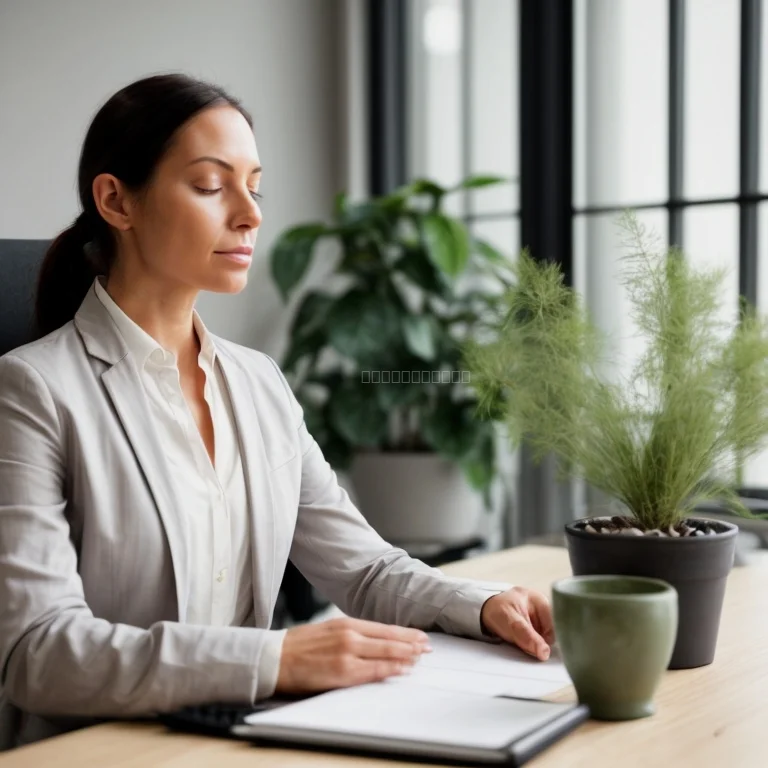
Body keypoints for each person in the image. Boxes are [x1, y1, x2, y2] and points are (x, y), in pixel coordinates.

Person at [0, 73, 554, 749]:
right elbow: (37, 653)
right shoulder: (32, 391)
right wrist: (276, 660)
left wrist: (484, 604)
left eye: (254, 185)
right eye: (211, 185)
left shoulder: (258, 384)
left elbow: (365, 569)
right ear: (117, 200)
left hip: (237, 742)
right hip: (99, 751)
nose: (251, 213)